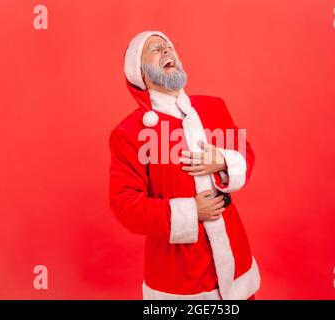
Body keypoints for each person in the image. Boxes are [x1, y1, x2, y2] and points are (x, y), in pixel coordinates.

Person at [108, 30, 260, 299]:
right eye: (155, 49)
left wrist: (223, 160)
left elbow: (246, 154)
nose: (167, 50)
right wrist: (190, 211)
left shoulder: (214, 108)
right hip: (178, 272)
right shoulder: (129, 132)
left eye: (169, 46)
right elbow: (124, 204)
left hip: (235, 258)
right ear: (140, 73)